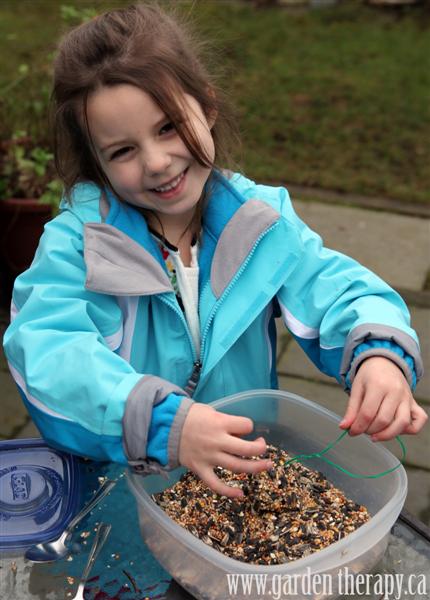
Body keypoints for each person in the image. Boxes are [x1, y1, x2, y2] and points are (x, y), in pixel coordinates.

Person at [3, 3, 427, 498]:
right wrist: (164, 424)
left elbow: (335, 290)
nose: (158, 162)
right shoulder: (79, 247)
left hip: (241, 488)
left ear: (206, 107)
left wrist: (379, 354)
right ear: (96, 164)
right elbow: (49, 356)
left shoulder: (258, 222)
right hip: (116, 508)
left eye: (167, 128)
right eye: (122, 151)